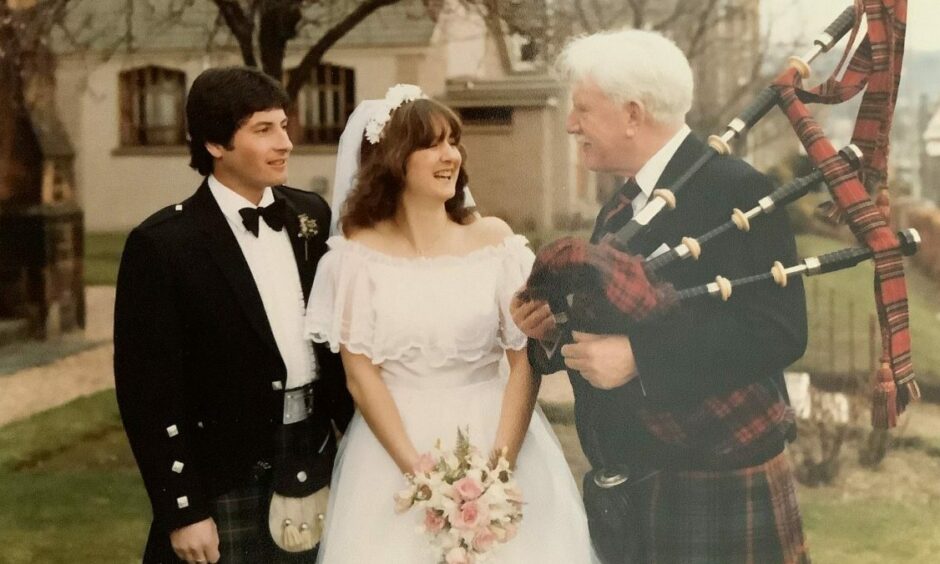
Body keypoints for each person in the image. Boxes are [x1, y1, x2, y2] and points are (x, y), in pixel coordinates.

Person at [511, 30, 810, 563]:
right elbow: (621, 319)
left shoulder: (735, 189)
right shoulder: (622, 205)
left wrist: (641, 360)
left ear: (632, 114)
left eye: (582, 109)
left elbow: (779, 330)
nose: (570, 124)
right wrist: (554, 330)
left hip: (715, 472)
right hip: (638, 480)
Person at [305, 86, 597, 563]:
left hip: (498, 434)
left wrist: (498, 472)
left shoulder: (495, 243)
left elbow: (523, 362)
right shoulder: (354, 258)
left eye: (453, 142)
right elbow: (361, 377)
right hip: (392, 453)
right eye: (432, 144)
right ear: (393, 160)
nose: (451, 155)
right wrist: (423, 479)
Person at [114, 66, 353, 564]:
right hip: (225, 467)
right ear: (216, 144)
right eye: (263, 130)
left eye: (284, 126)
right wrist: (183, 511)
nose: (285, 142)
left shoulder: (312, 217)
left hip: (315, 449)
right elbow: (149, 393)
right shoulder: (162, 245)